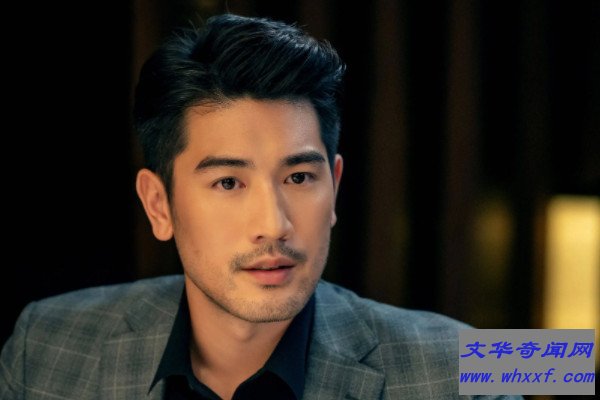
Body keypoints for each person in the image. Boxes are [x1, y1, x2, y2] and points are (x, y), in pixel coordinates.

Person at [0, 13, 522, 400]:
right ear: (159, 205)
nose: (274, 224)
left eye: (299, 177)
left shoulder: (469, 367)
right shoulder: (45, 343)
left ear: (335, 187)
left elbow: (557, 361)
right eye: (229, 182)